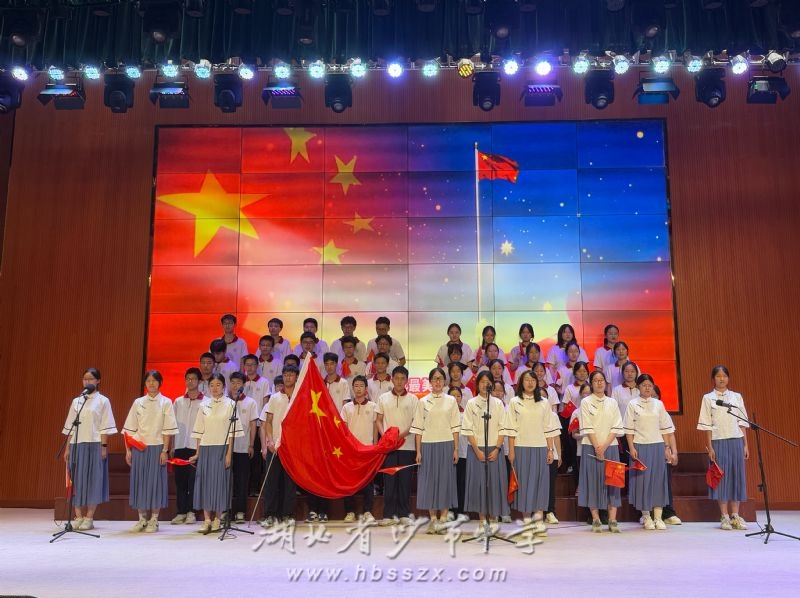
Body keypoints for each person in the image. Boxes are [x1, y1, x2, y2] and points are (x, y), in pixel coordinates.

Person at [61, 368, 117, 531]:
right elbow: (70, 428)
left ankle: (89, 517)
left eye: (91, 379)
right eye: (85, 379)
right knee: (76, 480)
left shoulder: (103, 401)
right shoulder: (77, 401)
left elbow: (105, 426)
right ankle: (78, 516)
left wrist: (103, 447)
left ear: (98, 381)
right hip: (76, 445)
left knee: (93, 480)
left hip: (94, 444)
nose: (87, 382)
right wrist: (67, 448)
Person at [122, 370, 177, 533]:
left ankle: (154, 519)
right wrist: (128, 450)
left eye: (154, 380)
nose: (151, 383)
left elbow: (168, 429)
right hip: (139, 447)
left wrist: (165, 450)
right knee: (140, 482)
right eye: (148, 381)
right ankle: (142, 519)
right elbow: (129, 429)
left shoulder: (166, 402)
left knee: (156, 483)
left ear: (160, 383)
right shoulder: (138, 402)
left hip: (157, 448)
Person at [505, 371, 559, 533]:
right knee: (524, 485)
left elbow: (548, 428)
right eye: (527, 380)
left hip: (540, 447)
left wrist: (550, 450)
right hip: (521, 448)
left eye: (532, 380)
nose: (530, 383)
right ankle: (527, 521)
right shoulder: (514, 402)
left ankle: (539, 520)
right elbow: (511, 429)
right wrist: (511, 451)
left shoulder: (544, 402)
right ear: (521, 383)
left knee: (540, 484)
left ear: (537, 382)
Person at [697, 365, 750, 531]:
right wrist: (710, 447)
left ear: (728, 378)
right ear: (713, 379)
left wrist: (745, 445)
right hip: (718, 441)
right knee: (721, 478)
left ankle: (735, 515)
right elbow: (706, 425)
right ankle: (724, 516)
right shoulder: (708, 398)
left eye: (724, 376)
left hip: (736, 441)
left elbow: (742, 422)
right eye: (718, 376)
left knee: (736, 477)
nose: (722, 379)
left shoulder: (736, 397)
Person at [190, 373, 243, 533]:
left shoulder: (231, 404)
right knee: (206, 483)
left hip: (222, 448)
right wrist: (197, 453)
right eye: (212, 385)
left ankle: (218, 519)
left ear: (223, 387)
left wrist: (229, 454)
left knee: (220, 484)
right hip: (206, 449)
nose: (214, 388)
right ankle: (207, 520)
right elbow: (199, 431)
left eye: (218, 385)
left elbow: (232, 433)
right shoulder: (204, 405)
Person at [624, 373, 676, 530]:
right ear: (638, 387)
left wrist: (667, 448)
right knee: (643, 482)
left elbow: (665, 428)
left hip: (658, 446)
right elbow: (629, 430)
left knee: (658, 481)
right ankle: (646, 516)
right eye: (644, 385)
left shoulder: (658, 404)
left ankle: (658, 517)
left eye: (649, 385)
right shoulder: (632, 404)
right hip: (640, 446)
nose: (647, 388)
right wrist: (632, 448)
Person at [411, 368, 460, 534]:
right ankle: (433, 520)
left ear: (444, 381)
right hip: (428, 445)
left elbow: (455, 427)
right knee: (429, 481)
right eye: (435, 379)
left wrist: (456, 449)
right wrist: (418, 451)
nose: (437, 382)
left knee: (445, 481)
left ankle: (444, 520)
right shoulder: (423, 401)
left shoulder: (451, 401)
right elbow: (418, 429)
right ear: (430, 382)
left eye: (440, 378)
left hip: (446, 444)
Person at [462, 371, 510, 535]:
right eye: (481, 381)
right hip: (476, 450)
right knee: (479, 485)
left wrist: (497, 449)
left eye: (487, 381)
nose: (485, 384)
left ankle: (494, 520)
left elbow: (503, 427)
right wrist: (477, 450)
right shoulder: (471, 403)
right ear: (477, 384)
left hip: (495, 449)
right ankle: (482, 521)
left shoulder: (498, 403)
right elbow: (468, 429)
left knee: (495, 484)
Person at [578, 370, 624, 533]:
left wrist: (604, 446)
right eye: (595, 380)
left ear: (605, 382)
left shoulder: (612, 402)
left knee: (613, 482)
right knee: (593, 481)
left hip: (610, 447)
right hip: (590, 446)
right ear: (591, 383)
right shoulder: (586, 402)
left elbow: (616, 426)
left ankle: (612, 519)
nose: (599, 383)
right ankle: (596, 519)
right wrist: (597, 447)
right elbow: (588, 426)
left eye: (601, 380)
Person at [375, 366, 417, 525]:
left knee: (405, 481)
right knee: (389, 480)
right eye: (396, 378)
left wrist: (399, 436)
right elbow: (379, 420)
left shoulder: (413, 399)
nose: (399, 381)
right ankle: (388, 515)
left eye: (402, 378)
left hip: (408, 446)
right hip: (389, 447)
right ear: (392, 379)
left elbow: (415, 422)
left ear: (407, 381)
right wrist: (386, 436)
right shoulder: (383, 398)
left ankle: (403, 514)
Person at [259, 365, 299, 526]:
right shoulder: (275, 398)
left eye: (291, 375)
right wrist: (269, 440)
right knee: (271, 481)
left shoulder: (300, 396)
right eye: (285, 375)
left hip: (292, 447)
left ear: (296, 377)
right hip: (274, 446)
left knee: (290, 483)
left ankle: (287, 514)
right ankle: (270, 514)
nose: (288, 377)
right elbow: (268, 422)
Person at [171, 367, 206, 525]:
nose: (190, 382)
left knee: (193, 481)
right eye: (188, 379)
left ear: (199, 381)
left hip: (195, 446)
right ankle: (181, 512)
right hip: (179, 445)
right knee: (180, 480)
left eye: (193, 379)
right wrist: (172, 445)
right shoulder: (178, 402)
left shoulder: (205, 402)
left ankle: (192, 511)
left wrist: (200, 448)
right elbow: (172, 425)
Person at [341, 375, 377, 522]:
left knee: (368, 482)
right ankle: (349, 512)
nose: (358, 388)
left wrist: (375, 446)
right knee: (348, 481)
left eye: (361, 385)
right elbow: (343, 429)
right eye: (356, 386)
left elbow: (375, 428)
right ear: (352, 388)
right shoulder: (346, 407)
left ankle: (367, 511)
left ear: (366, 389)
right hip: (350, 450)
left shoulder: (373, 406)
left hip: (368, 449)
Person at [228, 372, 259, 524]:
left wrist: (251, 444)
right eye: (233, 382)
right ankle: (226, 512)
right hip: (227, 449)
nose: (235, 386)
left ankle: (240, 512)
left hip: (243, 447)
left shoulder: (251, 402)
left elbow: (253, 425)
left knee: (242, 481)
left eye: (238, 383)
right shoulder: (226, 402)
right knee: (227, 481)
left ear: (244, 384)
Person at [654, 383, 682, 525]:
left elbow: (670, 434)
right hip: (648, 451)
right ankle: (650, 514)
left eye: (655, 396)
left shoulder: (663, 413)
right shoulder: (639, 411)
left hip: (663, 452)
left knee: (665, 483)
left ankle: (668, 513)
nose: (652, 398)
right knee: (649, 483)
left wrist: (674, 452)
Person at [449, 386, 470, 521]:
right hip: (448, 452)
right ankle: (450, 510)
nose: (456, 398)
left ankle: (461, 510)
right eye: (453, 395)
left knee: (462, 483)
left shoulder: (466, 413)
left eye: (458, 396)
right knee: (450, 482)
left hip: (463, 453)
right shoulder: (445, 413)